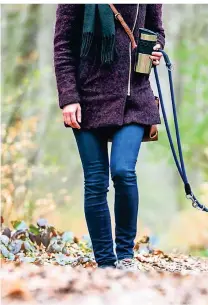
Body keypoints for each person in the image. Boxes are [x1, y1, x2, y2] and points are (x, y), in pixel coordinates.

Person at [53, 4, 165, 270]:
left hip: (134, 98)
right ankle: (105, 262)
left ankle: (125, 256)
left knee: (124, 172)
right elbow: (63, 46)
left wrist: (156, 49)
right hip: (87, 99)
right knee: (95, 182)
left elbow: (156, 31)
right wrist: (68, 98)